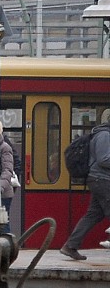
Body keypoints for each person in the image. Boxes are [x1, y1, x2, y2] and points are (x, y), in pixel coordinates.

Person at [60, 110, 110, 260]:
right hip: (102, 179)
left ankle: (70, 246)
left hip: (99, 179)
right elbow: (104, 159)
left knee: (93, 215)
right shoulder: (104, 135)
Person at [0, 120, 19, 236]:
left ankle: (6, 243)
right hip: (0, 191)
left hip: (3, 193)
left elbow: (7, 170)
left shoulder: (4, 147)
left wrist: (0, 187)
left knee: (3, 222)